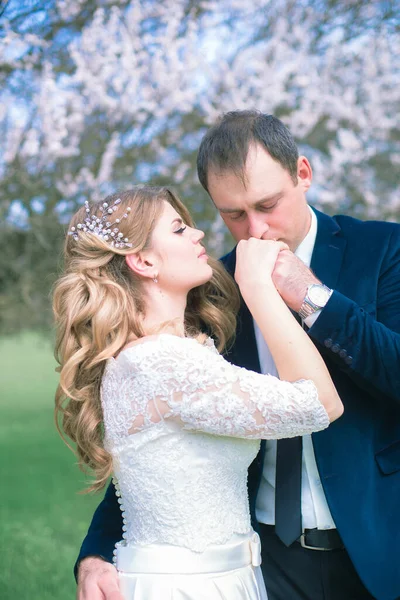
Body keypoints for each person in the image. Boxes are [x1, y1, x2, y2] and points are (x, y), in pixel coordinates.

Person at [75, 112, 400, 600]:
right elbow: (160, 443)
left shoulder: (382, 250)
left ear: (303, 174)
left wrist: (313, 298)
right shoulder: (212, 286)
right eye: (233, 215)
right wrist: (97, 550)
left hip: (379, 549)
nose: (256, 229)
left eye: (268, 205)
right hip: (266, 561)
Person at [54, 185, 342, 600]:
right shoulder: (163, 365)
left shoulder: (168, 354)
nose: (198, 234)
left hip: (220, 577)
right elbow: (320, 404)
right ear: (143, 260)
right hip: (188, 586)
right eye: (178, 229)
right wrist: (258, 286)